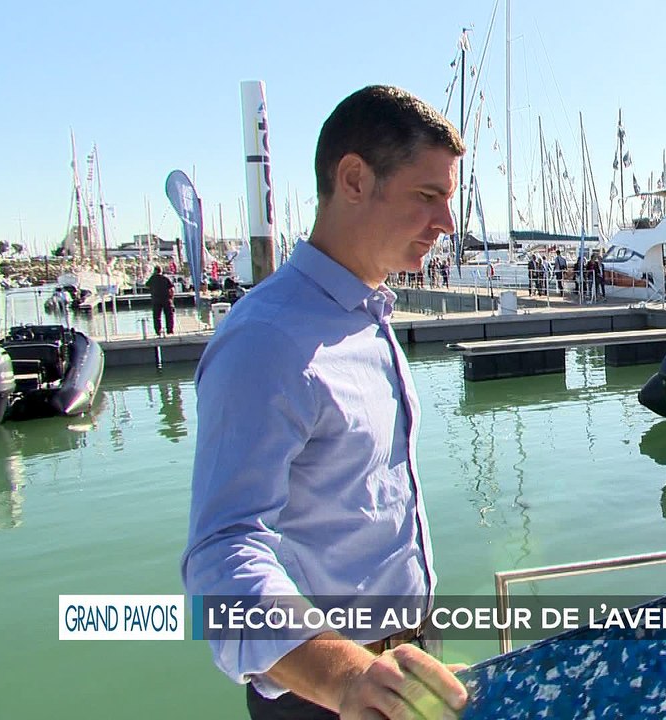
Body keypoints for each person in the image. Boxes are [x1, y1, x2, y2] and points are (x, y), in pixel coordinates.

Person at [182, 85, 469, 720]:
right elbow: (219, 556)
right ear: (354, 179)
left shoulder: (369, 316)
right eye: (429, 196)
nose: (447, 223)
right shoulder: (266, 340)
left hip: (403, 667)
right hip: (326, 694)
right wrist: (343, 677)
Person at [146, 265, 175, 336]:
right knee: (169, 315)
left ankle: (158, 331)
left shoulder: (152, 278)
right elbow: (171, 289)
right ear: (161, 271)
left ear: (155, 271)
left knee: (156, 316)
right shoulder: (165, 278)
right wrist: (172, 299)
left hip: (156, 300)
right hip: (166, 299)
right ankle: (170, 330)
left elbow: (146, 285)